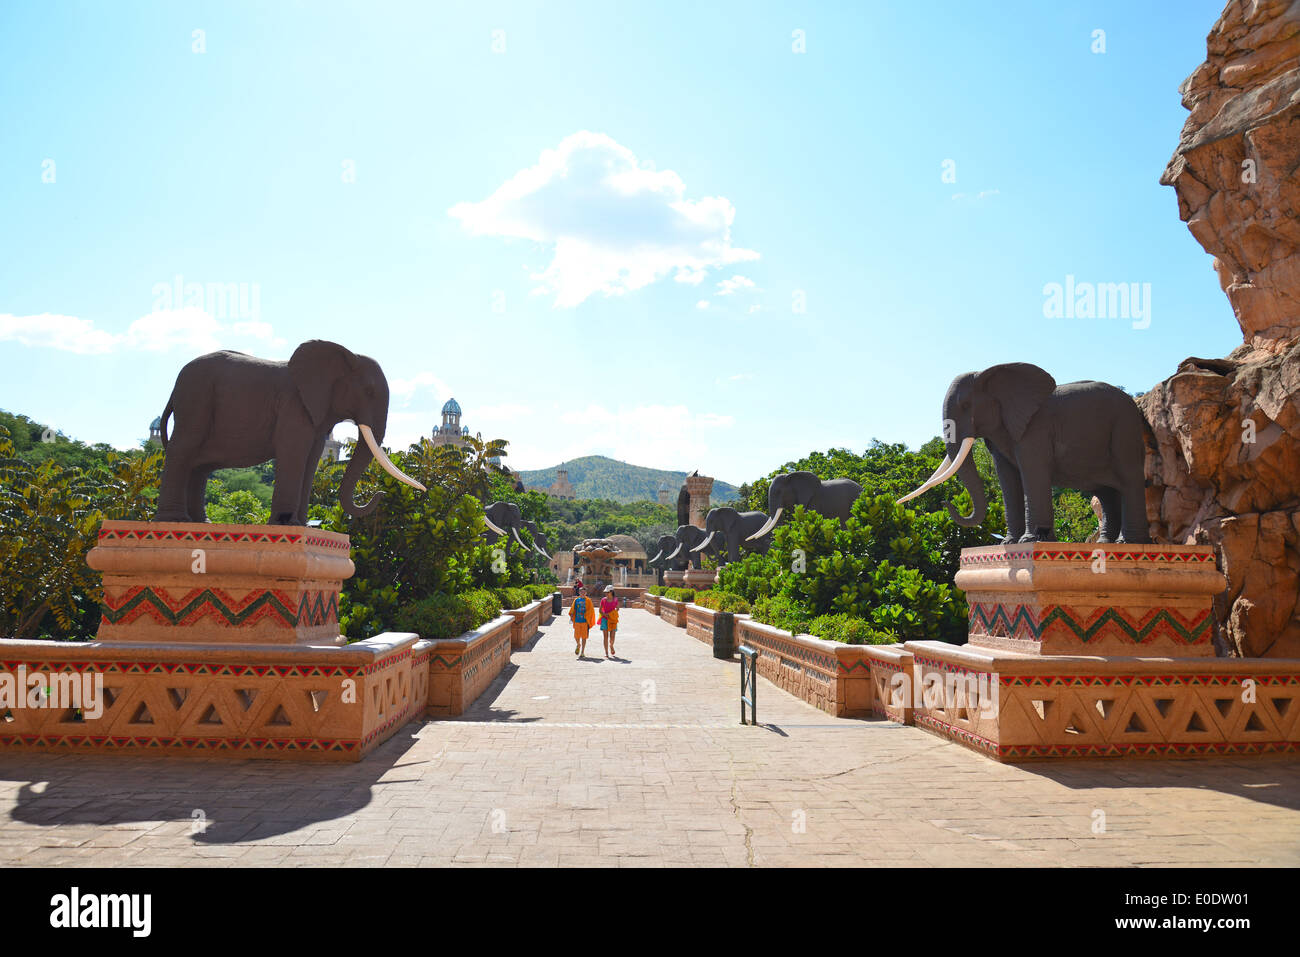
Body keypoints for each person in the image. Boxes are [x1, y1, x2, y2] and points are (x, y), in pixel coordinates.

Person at [569, 583, 594, 657]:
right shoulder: (576, 600)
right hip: (577, 620)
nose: (583, 593)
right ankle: (578, 644)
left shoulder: (588, 600)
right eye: (581, 592)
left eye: (584, 592)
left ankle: (582, 652)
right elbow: (573, 609)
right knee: (576, 636)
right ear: (579, 592)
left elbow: (591, 610)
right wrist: (571, 615)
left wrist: (587, 617)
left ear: (586, 593)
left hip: (585, 622)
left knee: (584, 637)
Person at [599, 585, 620, 658]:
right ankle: (606, 653)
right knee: (605, 637)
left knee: (612, 637)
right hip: (605, 619)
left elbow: (617, 608)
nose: (606, 594)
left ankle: (611, 645)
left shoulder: (615, 600)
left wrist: (613, 613)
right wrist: (605, 614)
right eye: (605, 592)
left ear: (611, 592)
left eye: (607, 592)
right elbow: (600, 610)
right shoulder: (603, 600)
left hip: (613, 620)